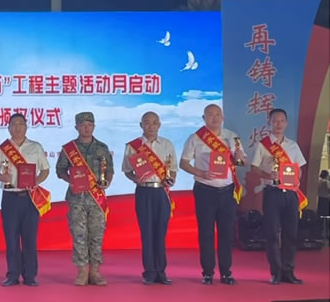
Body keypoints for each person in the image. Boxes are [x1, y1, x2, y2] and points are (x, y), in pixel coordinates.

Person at [180, 104, 247, 285]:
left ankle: (226, 272)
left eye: (218, 114)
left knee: (227, 232)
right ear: (204, 118)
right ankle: (208, 272)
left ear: (223, 117)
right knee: (206, 232)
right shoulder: (195, 138)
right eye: (210, 114)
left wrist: (239, 157)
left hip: (228, 191)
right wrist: (200, 173)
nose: (214, 117)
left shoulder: (232, 137)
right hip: (205, 190)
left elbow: (242, 162)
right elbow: (183, 163)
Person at [0, 113, 50, 286]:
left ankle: (30, 275)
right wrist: (2, 177)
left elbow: (45, 170)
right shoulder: (2, 149)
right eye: (14, 124)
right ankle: (13, 275)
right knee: (11, 238)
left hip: (30, 197)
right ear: (8, 128)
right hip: (10, 197)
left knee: (30, 238)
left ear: (26, 127)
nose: (17, 127)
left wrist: (36, 181)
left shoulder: (36, 147)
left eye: (21, 124)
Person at [55, 111, 113, 286]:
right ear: (76, 127)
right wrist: (71, 179)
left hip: (96, 199)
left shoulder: (102, 147)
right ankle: (82, 271)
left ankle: (95, 272)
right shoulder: (69, 149)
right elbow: (60, 170)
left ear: (94, 126)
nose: (86, 128)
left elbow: (109, 170)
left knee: (97, 235)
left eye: (89, 125)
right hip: (77, 198)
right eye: (82, 125)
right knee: (79, 234)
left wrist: (107, 182)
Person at [250, 108, 307, 285]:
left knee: (291, 233)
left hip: (290, 193)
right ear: (269, 122)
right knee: (273, 233)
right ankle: (276, 272)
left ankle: (289, 271)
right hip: (272, 192)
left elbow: (299, 168)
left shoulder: (293, 145)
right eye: (275, 120)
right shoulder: (263, 145)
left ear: (287, 123)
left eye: (282, 120)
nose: (279, 124)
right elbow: (254, 168)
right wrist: (268, 175)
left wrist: (295, 179)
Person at [122, 111, 177, 285]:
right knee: (146, 232)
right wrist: (134, 179)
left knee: (161, 232)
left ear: (159, 125)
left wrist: (171, 179)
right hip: (143, 191)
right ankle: (149, 272)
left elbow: (173, 169)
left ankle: (161, 271)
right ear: (141, 125)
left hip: (161, 192)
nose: (151, 126)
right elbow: (127, 170)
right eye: (147, 122)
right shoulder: (133, 146)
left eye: (154, 123)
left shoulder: (167, 144)